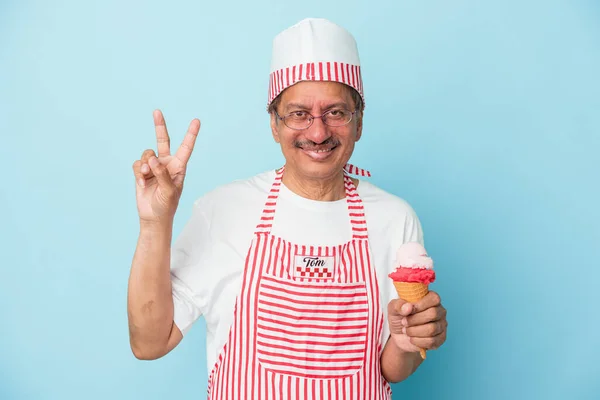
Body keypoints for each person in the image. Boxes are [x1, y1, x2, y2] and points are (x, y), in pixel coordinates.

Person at [127, 18, 447, 399]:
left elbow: (390, 370)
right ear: (274, 124)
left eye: (336, 112)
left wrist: (412, 337)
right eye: (298, 114)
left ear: (358, 122)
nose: (317, 132)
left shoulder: (394, 219)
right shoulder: (224, 210)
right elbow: (149, 343)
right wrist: (154, 222)